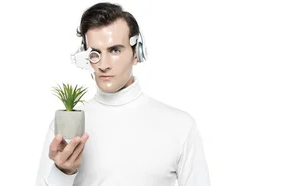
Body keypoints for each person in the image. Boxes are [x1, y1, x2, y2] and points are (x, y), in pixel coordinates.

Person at [35, 2, 211, 186]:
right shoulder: (66, 124)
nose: (103, 64)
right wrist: (62, 172)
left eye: (115, 50)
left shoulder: (180, 126)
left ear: (137, 53)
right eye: (95, 53)